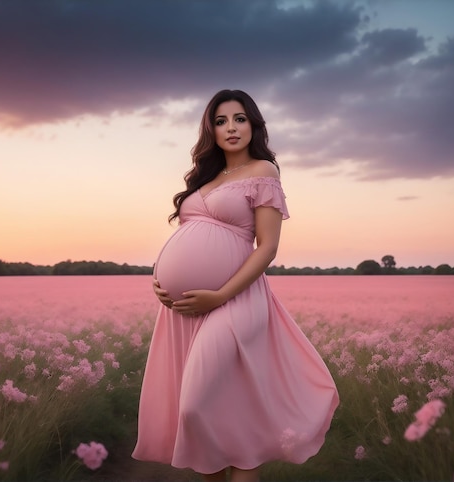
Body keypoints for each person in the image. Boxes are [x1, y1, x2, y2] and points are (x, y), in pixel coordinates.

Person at [132, 89, 339, 482]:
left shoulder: (263, 171)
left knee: (193, 405)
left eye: (240, 118)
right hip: (183, 312)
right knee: (208, 412)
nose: (231, 128)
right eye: (221, 120)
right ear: (210, 129)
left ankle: (247, 459)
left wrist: (220, 294)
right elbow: (188, 237)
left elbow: (268, 248)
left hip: (235, 301)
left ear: (253, 125)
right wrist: (158, 281)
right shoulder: (204, 179)